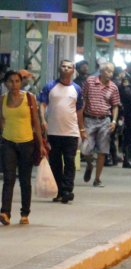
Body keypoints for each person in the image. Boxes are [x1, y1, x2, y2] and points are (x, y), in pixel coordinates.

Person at [0, 70, 48, 225]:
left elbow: (36, 122)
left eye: (17, 81)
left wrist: (41, 144)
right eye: (10, 81)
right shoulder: (2, 99)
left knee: (25, 180)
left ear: (21, 83)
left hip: (27, 143)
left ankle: (25, 212)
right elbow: (1, 119)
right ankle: (5, 212)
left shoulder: (29, 98)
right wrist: (4, 131)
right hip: (8, 143)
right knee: (8, 178)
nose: (14, 84)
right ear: (5, 83)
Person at [38, 60, 85, 204]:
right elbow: (42, 104)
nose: (66, 69)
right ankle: (57, 191)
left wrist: (81, 128)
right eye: (63, 66)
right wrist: (43, 120)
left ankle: (67, 190)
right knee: (56, 163)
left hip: (71, 132)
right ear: (59, 68)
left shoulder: (76, 89)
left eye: (69, 67)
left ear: (73, 70)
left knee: (70, 162)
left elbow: (79, 110)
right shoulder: (50, 86)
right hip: (53, 131)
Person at [81, 62, 120, 187]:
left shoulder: (113, 87)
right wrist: (80, 118)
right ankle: (89, 164)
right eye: (108, 71)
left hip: (105, 120)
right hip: (89, 119)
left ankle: (97, 179)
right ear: (101, 71)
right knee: (85, 149)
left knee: (102, 151)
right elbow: (84, 99)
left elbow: (115, 106)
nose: (110, 74)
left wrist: (114, 121)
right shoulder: (90, 82)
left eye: (112, 71)